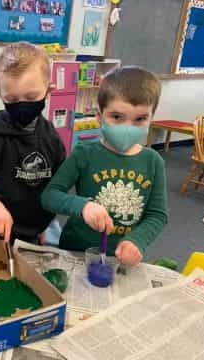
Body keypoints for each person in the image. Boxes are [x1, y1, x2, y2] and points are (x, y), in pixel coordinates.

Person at [41, 66, 168, 265]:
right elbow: (50, 196)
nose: (128, 127)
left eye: (140, 119)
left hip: (120, 257)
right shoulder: (84, 153)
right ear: (100, 117)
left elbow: (157, 215)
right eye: (117, 117)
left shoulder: (153, 161)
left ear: (151, 117)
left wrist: (137, 241)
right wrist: (83, 206)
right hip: (76, 249)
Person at [0, 41, 66, 244]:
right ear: (0, 95)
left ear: (49, 89)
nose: (21, 106)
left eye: (31, 97)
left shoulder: (52, 138)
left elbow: (55, 185)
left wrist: (45, 225)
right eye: (11, 100)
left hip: (31, 232)